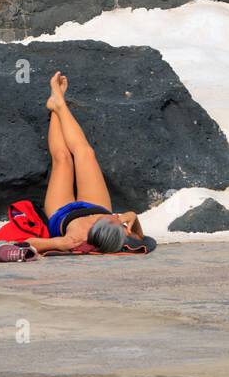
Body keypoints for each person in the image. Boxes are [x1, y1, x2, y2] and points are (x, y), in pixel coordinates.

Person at [23, 71, 145, 254]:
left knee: (62, 159)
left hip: (62, 213)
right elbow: (140, 238)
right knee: (86, 153)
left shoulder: (75, 240)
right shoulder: (113, 225)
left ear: (100, 227)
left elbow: (27, 242)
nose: (118, 217)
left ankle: (57, 105)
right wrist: (132, 216)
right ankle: (58, 102)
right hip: (94, 204)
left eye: (113, 220)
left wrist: (56, 243)